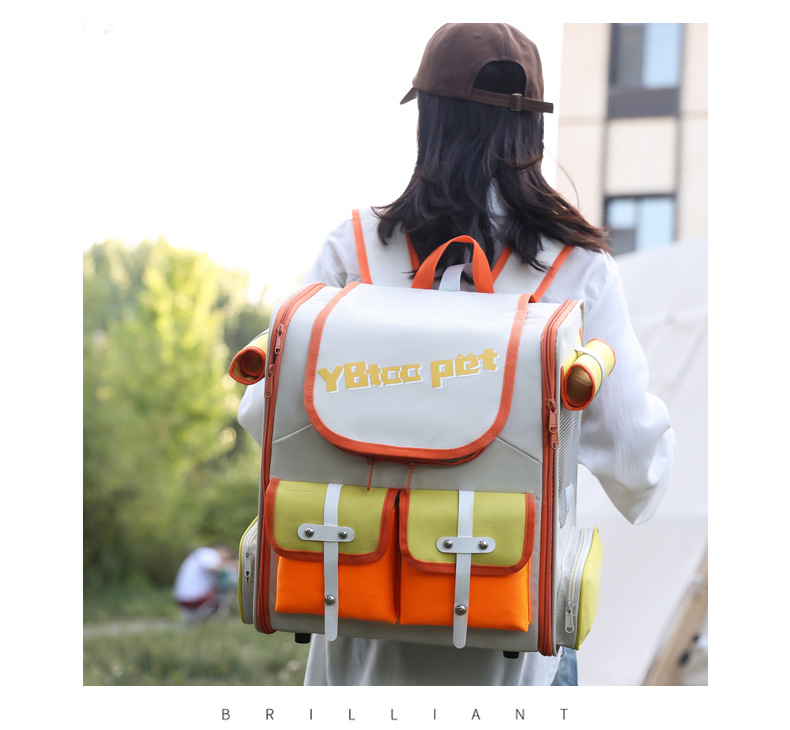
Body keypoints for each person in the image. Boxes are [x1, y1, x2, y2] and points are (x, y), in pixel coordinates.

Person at [239, 22, 674, 686]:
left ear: (428, 120)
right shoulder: (577, 269)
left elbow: (260, 412)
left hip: (355, 632)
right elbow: (640, 468)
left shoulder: (352, 249)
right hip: (511, 649)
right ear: (532, 133)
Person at [172, 544, 233, 621]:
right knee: (223, 598)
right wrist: (234, 565)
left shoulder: (200, 553)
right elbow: (212, 567)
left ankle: (195, 621)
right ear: (223, 551)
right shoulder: (209, 553)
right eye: (226, 557)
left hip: (182, 595)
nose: (225, 560)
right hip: (192, 596)